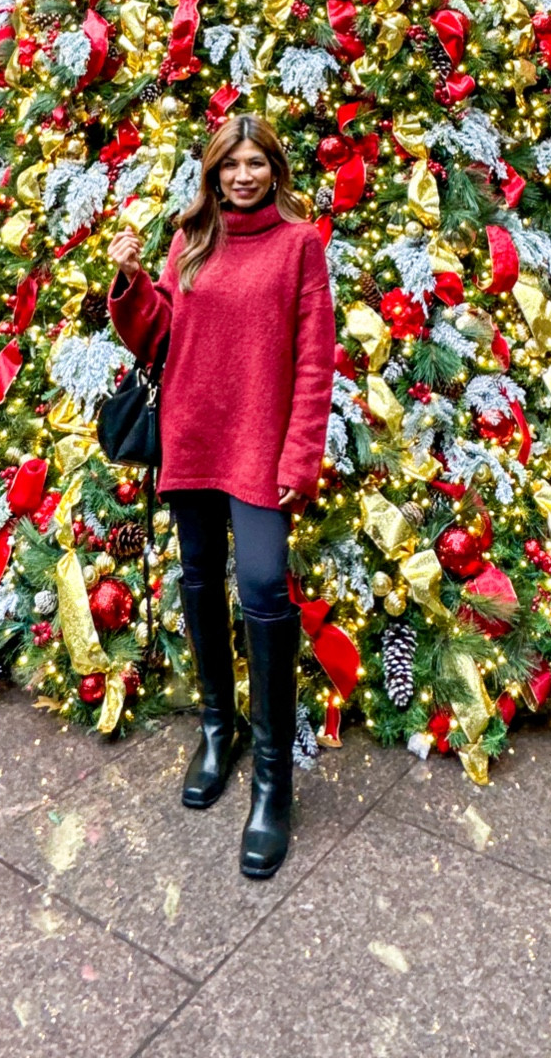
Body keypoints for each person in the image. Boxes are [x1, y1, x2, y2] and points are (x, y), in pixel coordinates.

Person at [106, 113, 335, 881]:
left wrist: (299, 454)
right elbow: (159, 336)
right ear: (213, 171)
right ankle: (216, 727)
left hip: (261, 445)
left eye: (255, 163)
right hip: (192, 431)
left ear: (275, 169)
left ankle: (273, 782)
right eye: (230, 163)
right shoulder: (189, 240)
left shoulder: (301, 245)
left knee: (265, 588)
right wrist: (133, 283)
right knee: (200, 577)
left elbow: (314, 360)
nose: (242, 175)